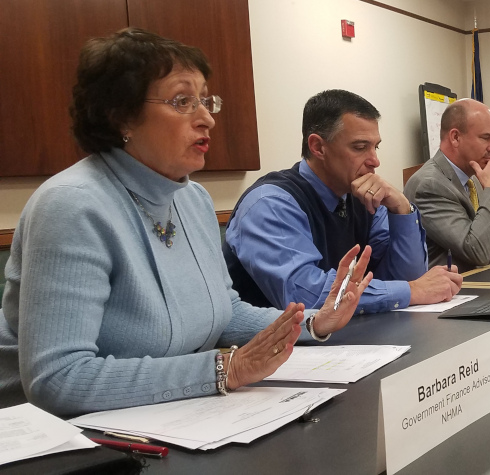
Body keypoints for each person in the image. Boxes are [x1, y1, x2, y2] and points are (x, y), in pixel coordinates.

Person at [0, 29, 371, 416]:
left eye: (205, 101)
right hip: (52, 440)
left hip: (160, 415)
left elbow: (223, 312)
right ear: (120, 115)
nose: (207, 119)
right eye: (182, 102)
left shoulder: (193, 199)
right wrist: (224, 369)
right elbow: (58, 379)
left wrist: (314, 322)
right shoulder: (72, 206)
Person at [223, 89, 462, 314]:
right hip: (271, 350)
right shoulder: (270, 204)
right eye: (360, 147)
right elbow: (304, 296)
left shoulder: (361, 196)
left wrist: (402, 208)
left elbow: (404, 277)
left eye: (375, 147)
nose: (375, 161)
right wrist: (412, 291)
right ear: (318, 147)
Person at [403, 99, 490, 272]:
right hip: (449, 293)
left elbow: (485, 235)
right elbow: (476, 251)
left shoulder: (473, 179)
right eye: (486, 138)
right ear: (455, 137)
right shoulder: (430, 185)